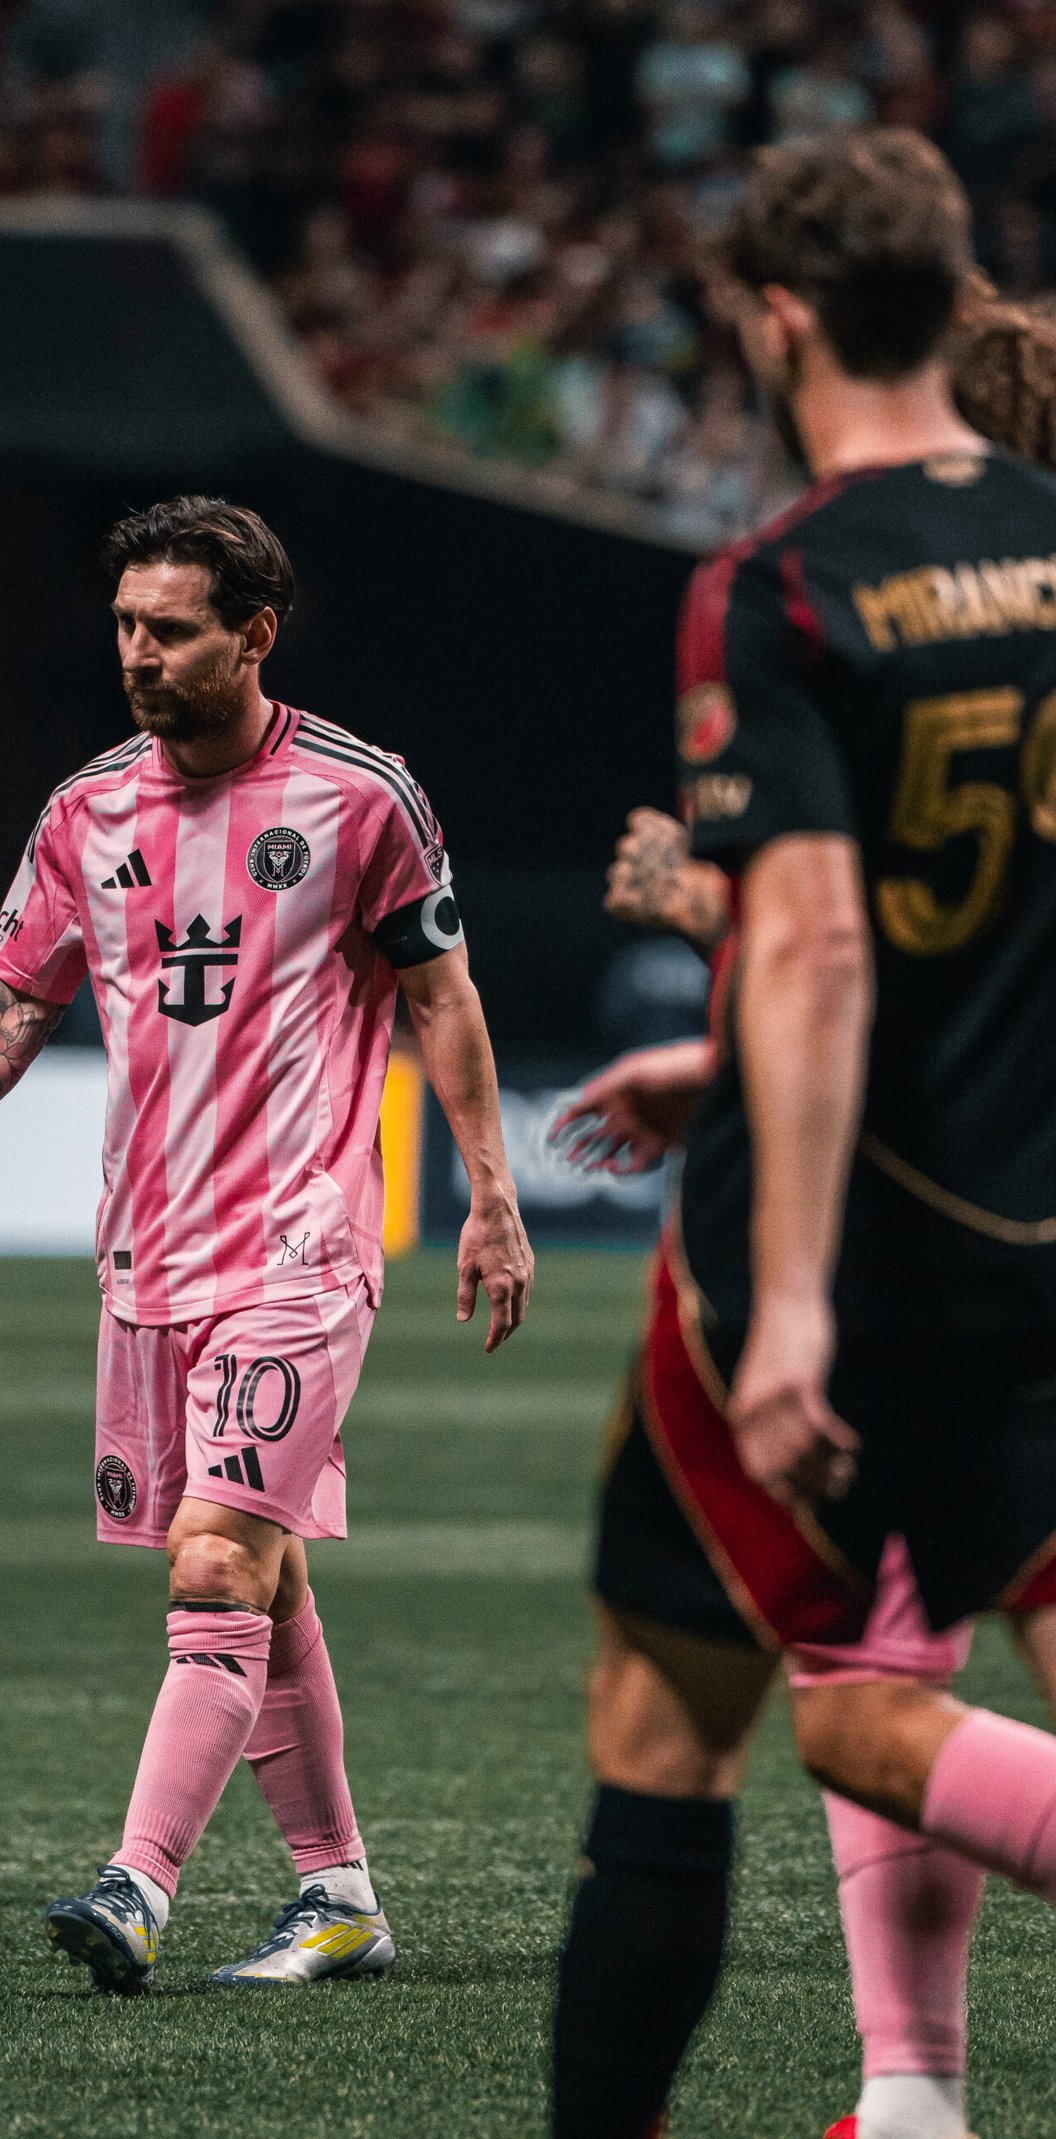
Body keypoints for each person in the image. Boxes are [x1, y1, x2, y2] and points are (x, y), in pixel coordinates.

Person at [0, 496, 533, 1992]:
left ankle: (136, 1885)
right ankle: (339, 1895)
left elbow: (441, 995)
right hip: (147, 1258)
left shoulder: (361, 796)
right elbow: (15, 1004)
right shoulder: (86, 812)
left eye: (171, 629)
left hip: (302, 1245)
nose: (138, 654)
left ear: (255, 635)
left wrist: (490, 1192)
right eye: (125, 627)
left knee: (214, 1559)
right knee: (260, 1576)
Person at [548, 130, 1056, 2139]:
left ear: (776, 321)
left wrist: (786, 1302)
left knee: (675, 1724)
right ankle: (910, 2092)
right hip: (1040, 1234)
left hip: (857, 1251)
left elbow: (825, 942)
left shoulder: (780, 581)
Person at [572, 805, 983, 2139]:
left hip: (956, 1240)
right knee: (874, 1682)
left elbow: (875, 953)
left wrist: (715, 912)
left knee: (836, 1717)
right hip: (965, 1213)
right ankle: (912, 2091)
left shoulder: (820, 680)